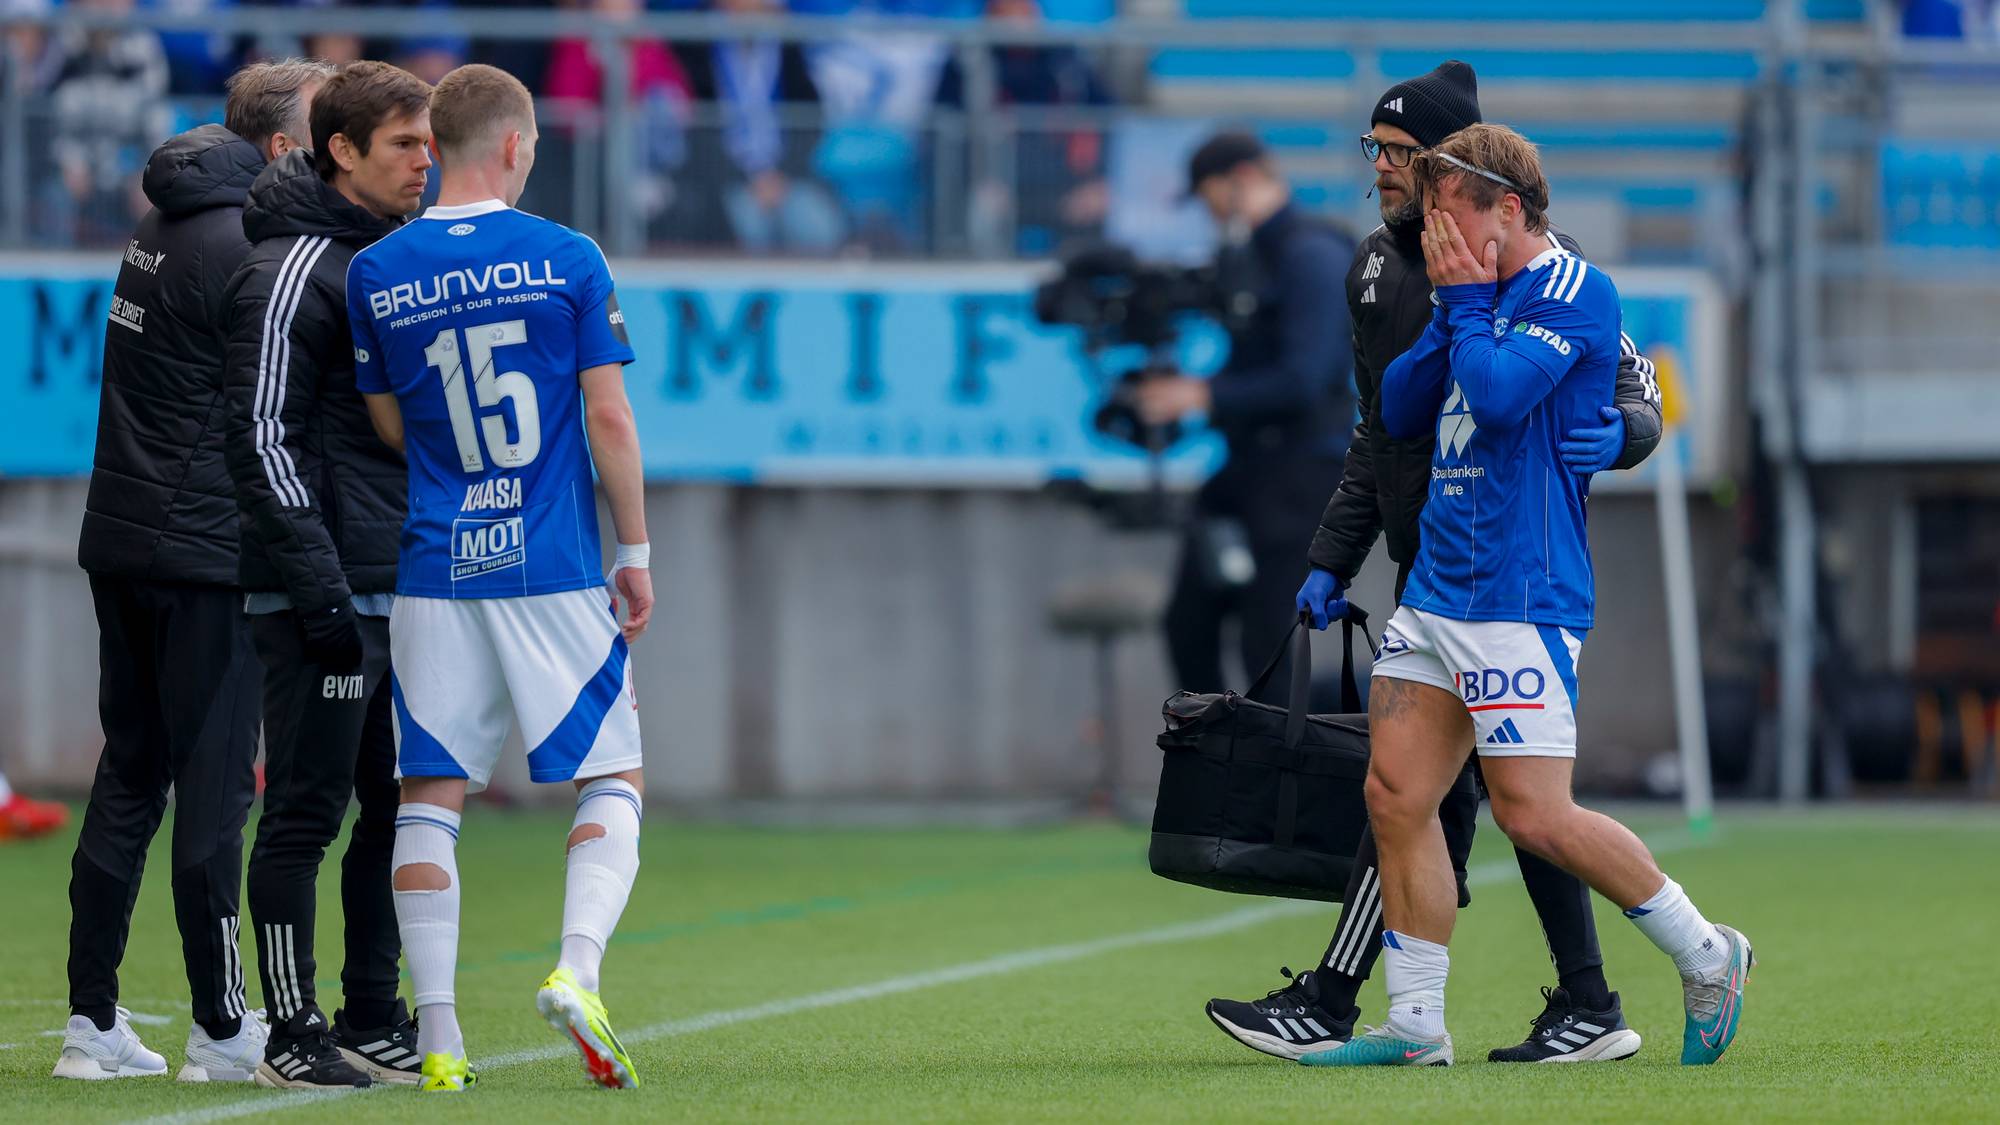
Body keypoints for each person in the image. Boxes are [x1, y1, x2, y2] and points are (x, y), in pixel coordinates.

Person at [1207, 62, 1667, 1065]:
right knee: (1424, 795)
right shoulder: (1375, 265)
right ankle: (1557, 1005)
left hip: (1511, 571)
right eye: (1371, 149)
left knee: (1490, 804)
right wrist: (1336, 554)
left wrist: (1627, 432)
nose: (1379, 168)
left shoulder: (1533, 259)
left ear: (1449, 166)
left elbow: (1623, 377)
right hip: (1431, 565)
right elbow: (1379, 427)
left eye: (1398, 153)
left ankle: (1346, 999)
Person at [1301, 123, 1751, 1069]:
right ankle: (1416, 1024)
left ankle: (1708, 952)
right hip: (1437, 590)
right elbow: (1403, 406)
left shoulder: (1573, 289)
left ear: (1509, 205)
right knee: (1394, 792)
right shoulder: (1472, 292)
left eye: (1450, 215)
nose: (1439, 240)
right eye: (1427, 223)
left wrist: (1463, 303)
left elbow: (1502, 398)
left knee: (1534, 815)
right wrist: (1451, 308)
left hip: (1523, 596)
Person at [348, 62, 652, 1094]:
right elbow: (608, 417)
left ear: (434, 149)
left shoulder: (377, 271)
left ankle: (437, 1040)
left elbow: (388, 422)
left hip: (435, 566)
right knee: (610, 774)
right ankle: (576, 969)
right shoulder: (565, 255)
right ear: (517, 146)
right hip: (552, 563)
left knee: (428, 794)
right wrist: (636, 553)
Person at [56, 58, 330, 1085]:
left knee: (129, 775)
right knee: (215, 794)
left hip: (121, 538)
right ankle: (222, 1029)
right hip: (205, 554)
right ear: (277, 149)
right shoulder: (242, 246)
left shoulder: (161, 223)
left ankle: (91, 1022)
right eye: (322, 134)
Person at [222, 58, 434, 1089]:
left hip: (398, 577)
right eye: (403, 145)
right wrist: (318, 593)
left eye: (431, 144)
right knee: (307, 810)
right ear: (342, 149)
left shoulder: (397, 257)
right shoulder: (293, 266)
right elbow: (259, 435)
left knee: (395, 808)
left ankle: (371, 1011)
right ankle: (290, 1030)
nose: (424, 164)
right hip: (322, 588)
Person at [1137, 132, 1353, 705]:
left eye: (1209, 196)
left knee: (1269, 649)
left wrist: (1202, 396)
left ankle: (1290, 778)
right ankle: (1214, 761)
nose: (1209, 214)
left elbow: (1305, 380)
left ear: (1239, 180)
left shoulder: (1312, 255)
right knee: (1189, 623)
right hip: (1249, 470)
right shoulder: (1256, 258)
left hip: (1301, 473)